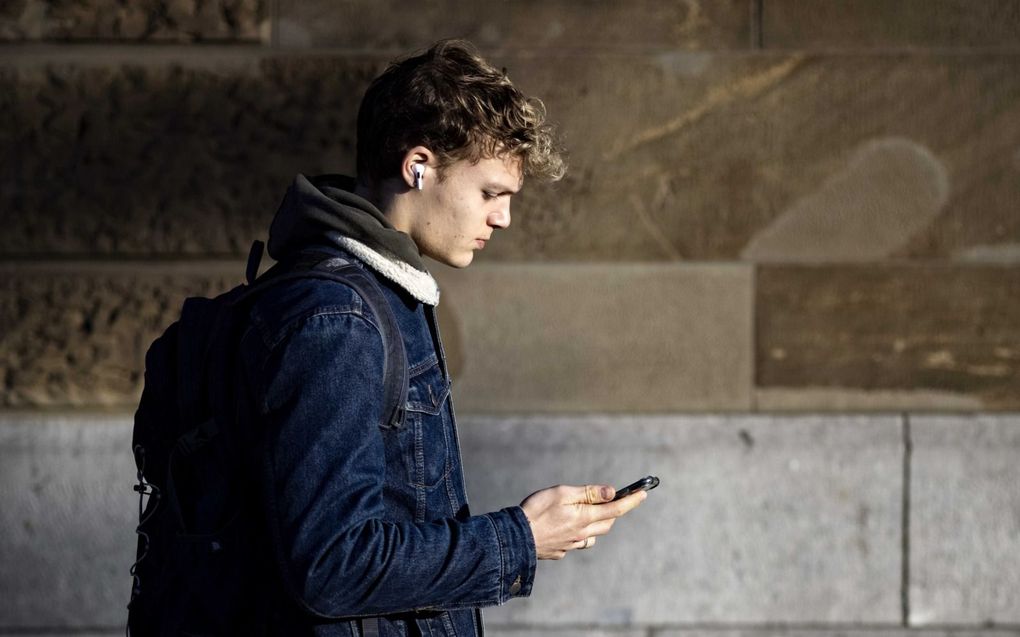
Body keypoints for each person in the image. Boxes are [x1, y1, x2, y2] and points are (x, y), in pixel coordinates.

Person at [235, 39, 647, 636]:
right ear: (418, 166)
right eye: (489, 193)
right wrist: (522, 537)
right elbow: (334, 567)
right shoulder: (338, 318)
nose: (503, 218)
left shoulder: (377, 296)